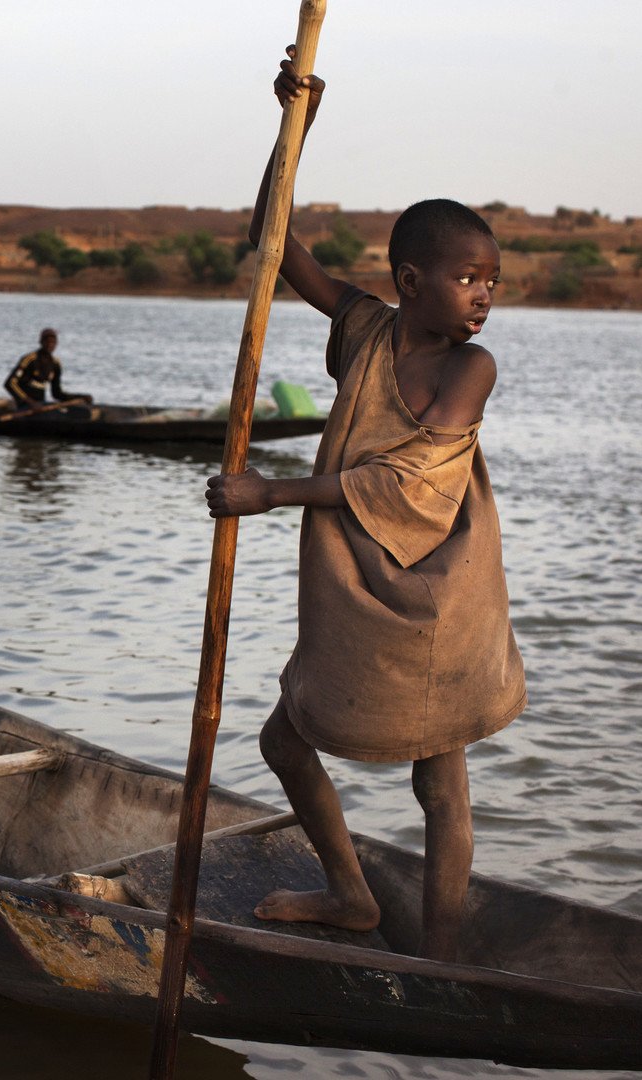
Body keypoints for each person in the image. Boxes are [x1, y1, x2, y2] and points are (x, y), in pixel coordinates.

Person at [203, 50, 526, 962]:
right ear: (412, 280)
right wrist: (292, 129)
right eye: (470, 279)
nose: (486, 296)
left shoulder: (472, 367)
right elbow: (272, 243)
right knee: (286, 741)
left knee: (443, 782)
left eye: (493, 281)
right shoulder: (368, 330)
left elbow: (400, 483)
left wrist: (268, 493)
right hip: (355, 591)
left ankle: (444, 951)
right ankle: (350, 894)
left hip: (441, 596)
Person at [3, 328, 92, 409]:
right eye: (47, 342)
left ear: (56, 344)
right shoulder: (30, 359)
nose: (50, 345)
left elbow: (57, 393)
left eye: (53, 342)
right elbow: (10, 383)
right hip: (24, 404)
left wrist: (80, 397)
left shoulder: (55, 364)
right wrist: (30, 402)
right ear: (41, 342)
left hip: (41, 405)